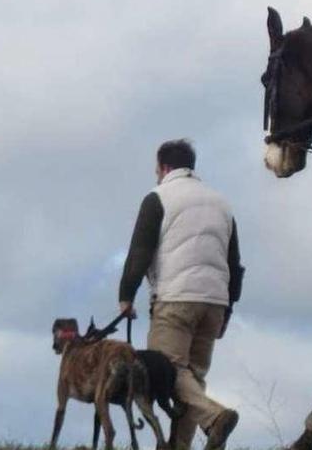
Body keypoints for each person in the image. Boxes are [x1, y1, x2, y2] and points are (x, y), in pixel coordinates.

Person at [118, 139, 244, 450]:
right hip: (215, 302)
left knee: (167, 371)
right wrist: (228, 310)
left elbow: (140, 252)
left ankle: (215, 417)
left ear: (163, 168)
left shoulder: (158, 197)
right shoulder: (222, 204)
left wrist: (126, 296)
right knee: (193, 380)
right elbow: (234, 263)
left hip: (176, 297)